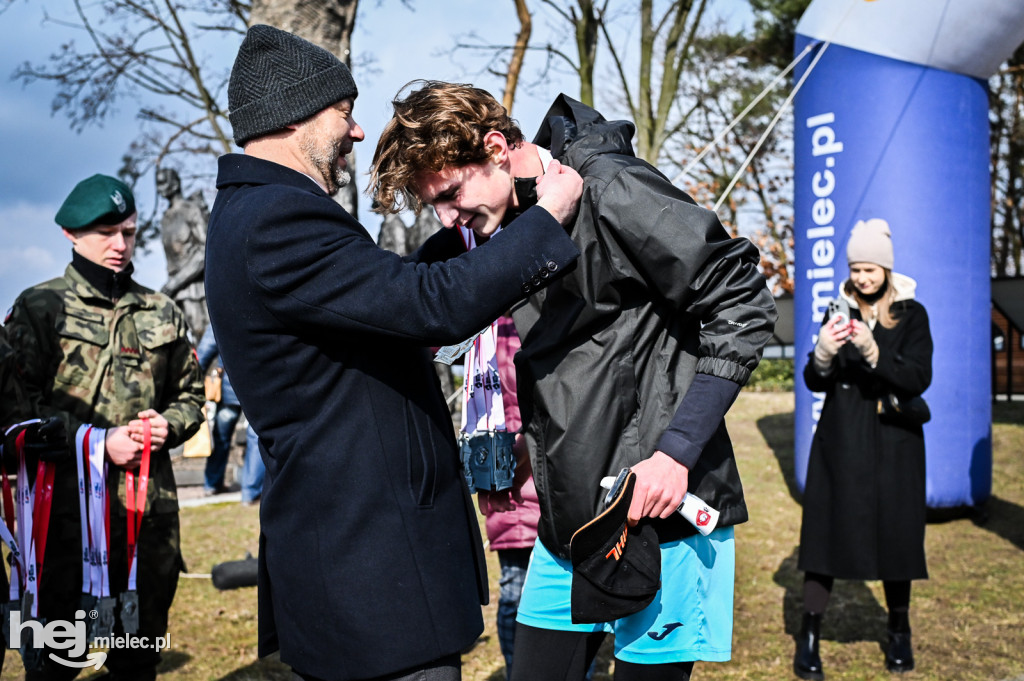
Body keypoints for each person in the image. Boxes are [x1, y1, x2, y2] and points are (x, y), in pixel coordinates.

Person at [204, 25, 583, 681]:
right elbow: (428, 305)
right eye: (344, 114)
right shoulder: (277, 219)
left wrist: (476, 226)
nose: (355, 132)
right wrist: (549, 214)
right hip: (373, 585)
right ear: (296, 116)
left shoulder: (260, 212)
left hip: (364, 572)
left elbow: (388, 296)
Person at [371, 81, 777, 681]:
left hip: (658, 512)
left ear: (495, 147)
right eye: (435, 205)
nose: (449, 217)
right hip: (564, 528)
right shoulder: (505, 219)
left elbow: (742, 298)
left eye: (452, 194)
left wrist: (676, 452)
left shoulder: (610, 186)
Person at [4, 173, 204, 680]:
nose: (120, 245)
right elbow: (15, 415)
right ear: (71, 235)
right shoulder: (40, 309)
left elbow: (190, 395)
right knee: (53, 665)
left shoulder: (161, 309)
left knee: (136, 661)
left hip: (145, 523)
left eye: (130, 232)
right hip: (62, 527)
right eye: (106, 232)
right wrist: (93, 442)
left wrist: (170, 424)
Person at [794, 218, 932, 679]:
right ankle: (809, 636)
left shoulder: (913, 313)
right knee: (826, 533)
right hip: (843, 437)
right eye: (856, 268)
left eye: (871, 269)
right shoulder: (837, 307)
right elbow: (816, 381)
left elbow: (918, 377)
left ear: (887, 269)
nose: (862, 278)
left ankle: (899, 631)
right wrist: (823, 353)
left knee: (897, 535)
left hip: (896, 440)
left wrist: (875, 352)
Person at [194, 325, 265, 503]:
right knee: (256, 438)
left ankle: (212, 484)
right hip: (257, 384)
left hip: (229, 385)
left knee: (221, 437)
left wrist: (192, 380)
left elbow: (206, 348)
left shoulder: (223, 302)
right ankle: (250, 492)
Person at [158, 167, 210, 341]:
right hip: (179, 293)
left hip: (199, 287)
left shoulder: (191, 209)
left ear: (175, 182)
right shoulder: (165, 219)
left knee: (209, 335)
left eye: (163, 182)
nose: (160, 188)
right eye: (157, 184)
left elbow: (205, 251)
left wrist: (175, 282)